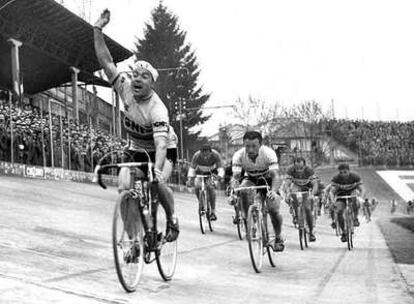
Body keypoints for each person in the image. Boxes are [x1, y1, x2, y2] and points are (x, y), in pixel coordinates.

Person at [94, 9, 179, 241]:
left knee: (157, 183)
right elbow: (106, 61)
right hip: (136, 147)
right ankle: (133, 240)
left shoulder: (157, 109)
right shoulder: (125, 86)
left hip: (163, 149)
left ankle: (172, 219)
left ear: (152, 83)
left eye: (144, 76)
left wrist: (157, 172)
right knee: (124, 188)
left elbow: (161, 145)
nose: (138, 79)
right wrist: (97, 29)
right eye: (136, 74)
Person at [229, 130, 285, 251]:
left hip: (268, 180)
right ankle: (248, 220)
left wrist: (273, 191)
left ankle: (278, 236)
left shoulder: (268, 153)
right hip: (251, 178)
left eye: (254, 146)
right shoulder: (238, 155)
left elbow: (275, 176)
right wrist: (233, 191)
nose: (250, 150)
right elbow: (236, 178)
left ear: (260, 144)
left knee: (273, 210)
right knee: (242, 189)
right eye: (247, 146)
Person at [283, 157, 318, 242]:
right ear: (294, 166)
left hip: (307, 187)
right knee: (293, 194)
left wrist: (312, 195)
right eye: (297, 168)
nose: (298, 170)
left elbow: (315, 185)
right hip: (296, 186)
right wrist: (287, 193)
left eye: (301, 168)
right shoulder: (291, 170)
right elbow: (287, 184)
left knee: (307, 208)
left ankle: (311, 232)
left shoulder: (309, 170)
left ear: (304, 165)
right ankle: (296, 214)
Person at [186, 144, 225, 221]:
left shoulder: (215, 155)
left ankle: (213, 212)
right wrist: (190, 179)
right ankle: (202, 204)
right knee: (197, 186)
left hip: (212, 172)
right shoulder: (196, 155)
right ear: (200, 152)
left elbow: (220, 168)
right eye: (203, 155)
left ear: (211, 152)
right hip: (200, 172)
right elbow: (192, 168)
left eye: (207, 155)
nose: (205, 157)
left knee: (210, 187)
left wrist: (220, 176)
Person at [329, 163, 365, 242]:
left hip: (352, 193)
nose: (343, 174)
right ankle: (344, 232)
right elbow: (332, 192)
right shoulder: (336, 178)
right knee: (339, 211)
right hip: (341, 195)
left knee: (355, 199)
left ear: (349, 171)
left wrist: (361, 198)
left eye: (345, 172)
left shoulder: (355, 177)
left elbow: (362, 189)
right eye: (341, 173)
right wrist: (332, 201)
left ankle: (355, 218)